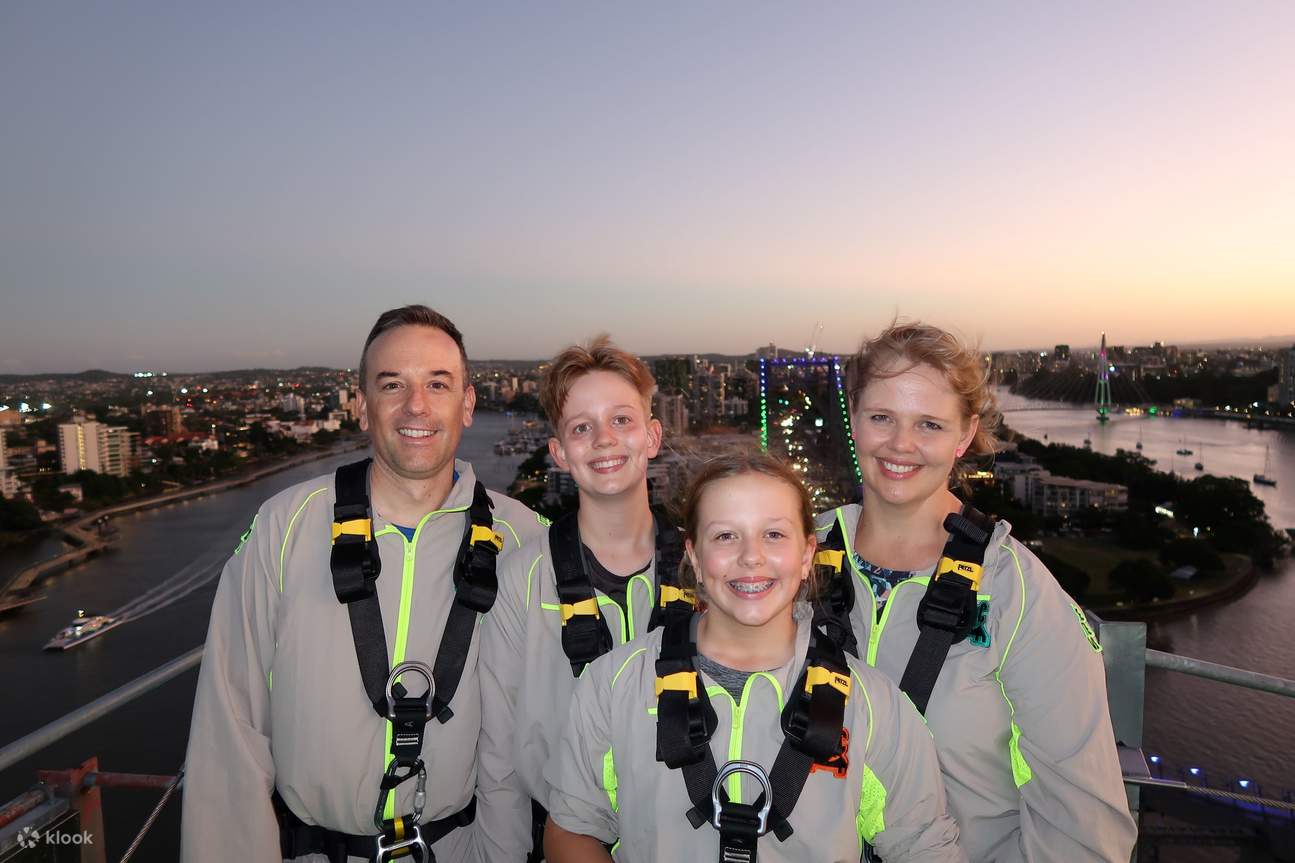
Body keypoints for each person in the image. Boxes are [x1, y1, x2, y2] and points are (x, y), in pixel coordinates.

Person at [181, 305, 545, 863]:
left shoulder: (524, 537)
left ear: (467, 404)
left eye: (438, 384)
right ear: (361, 407)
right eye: (392, 384)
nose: (416, 406)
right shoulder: (285, 525)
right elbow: (228, 728)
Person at [544, 452, 968, 863]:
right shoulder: (614, 686)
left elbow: (924, 846)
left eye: (774, 535)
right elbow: (570, 830)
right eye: (726, 536)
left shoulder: (873, 706)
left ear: (806, 555)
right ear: (693, 555)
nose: (751, 557)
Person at [814, 321, 1136, 862]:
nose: (900, 445)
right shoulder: (796, 558)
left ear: (964, 436)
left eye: (930, 425)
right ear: (854, 420)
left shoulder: (1017, 591)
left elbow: (1082, 823)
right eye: (881, 418)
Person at [475, 336, 690, 861]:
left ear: (652, 437)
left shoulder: (703, 569)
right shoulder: (521, 580)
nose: (604, 440)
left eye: (622, 420)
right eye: (581, 427)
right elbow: (498, 756)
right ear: (560, 454)